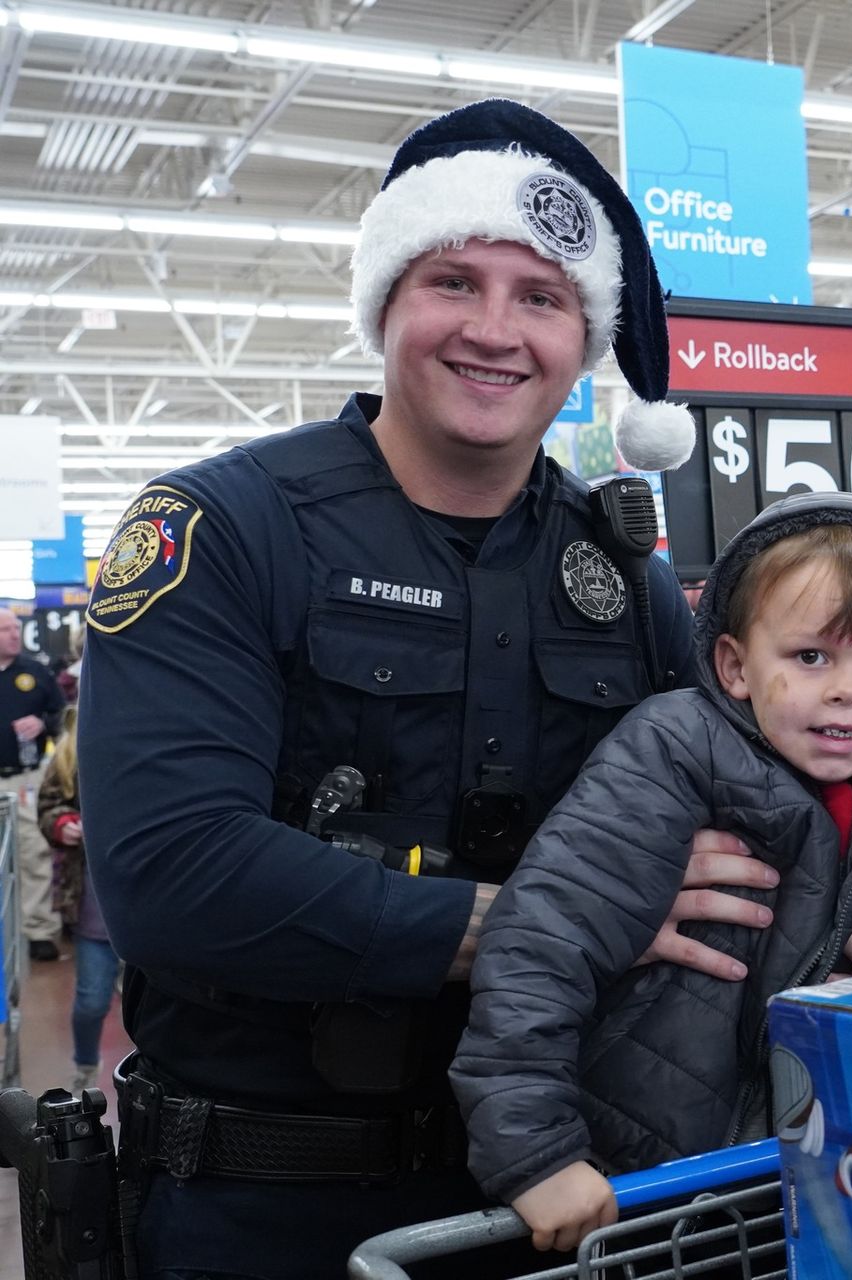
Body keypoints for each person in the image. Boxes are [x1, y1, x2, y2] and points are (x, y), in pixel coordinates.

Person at [77, 99, 707, 1278]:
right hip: (261, 1211)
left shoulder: (623, 582)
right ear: (385, 305)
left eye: (543, 297)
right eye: (453, 282)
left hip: (556, 1202)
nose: (496, 329)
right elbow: (173, 872)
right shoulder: (222, 529)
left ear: (585, 338)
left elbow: (724, 819)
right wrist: (550, 929)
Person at [452, 494, 852, 1252]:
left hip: (827, 1180)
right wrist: (535, 1151)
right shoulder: (675, 750)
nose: (848, 688)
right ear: (736, 666)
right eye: (811, 656)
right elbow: (544, 939)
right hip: (636, 1178)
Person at [36, 707, 117, 1094]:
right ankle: (86, 1067)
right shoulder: (68, 753)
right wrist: (63, 824)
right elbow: (48, 806)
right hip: (91, 901)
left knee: (155, 1000)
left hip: (149, 899)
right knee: (92, 1000)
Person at [0, 607, 66, 962]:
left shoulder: (36, 673)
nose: (14, 634)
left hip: (25, 778)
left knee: (33, 852)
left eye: (16, 628)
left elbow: (62, 717)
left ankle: (38, 929)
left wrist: (42, 724)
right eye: (6, 629)